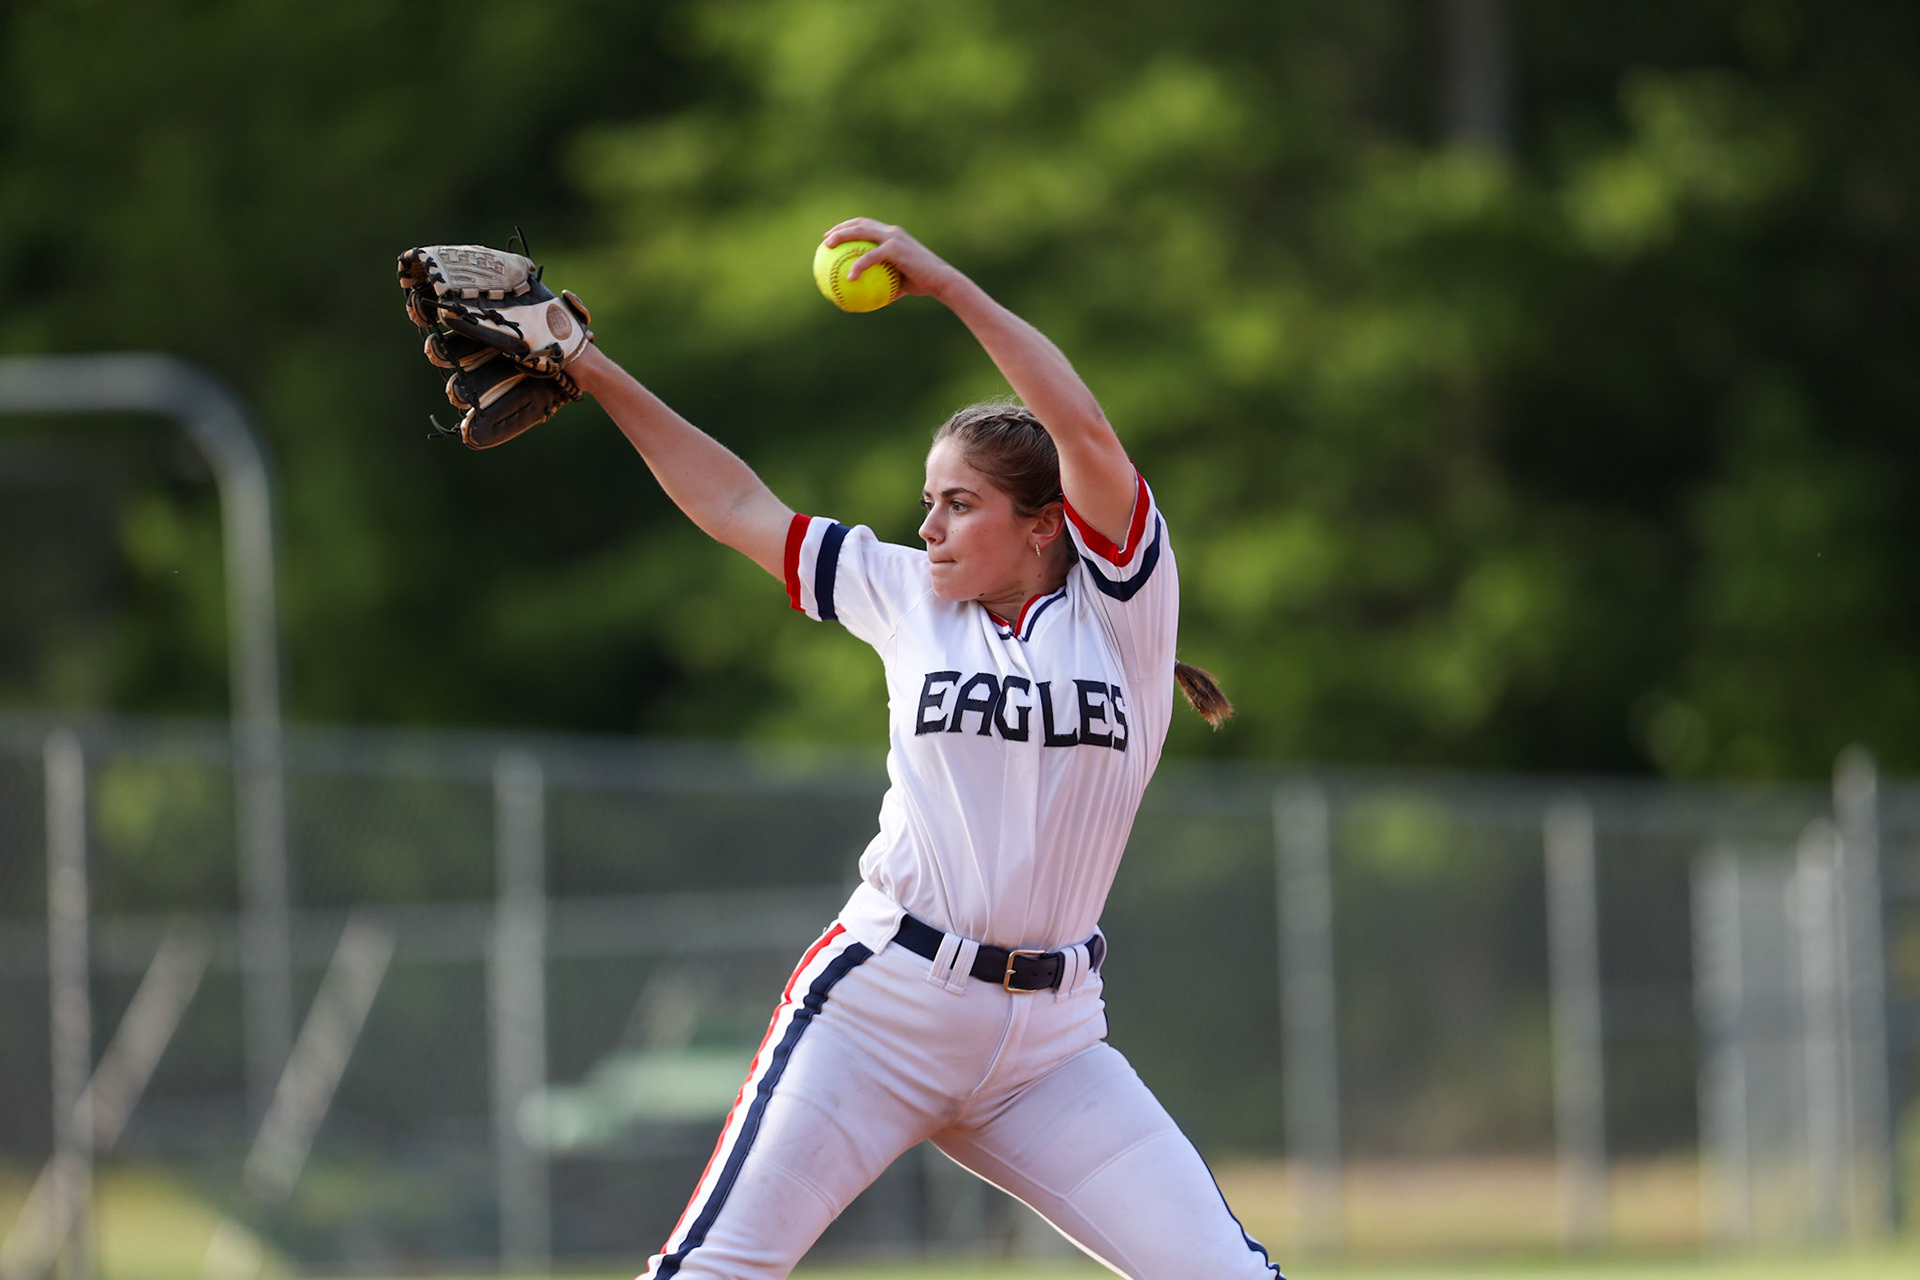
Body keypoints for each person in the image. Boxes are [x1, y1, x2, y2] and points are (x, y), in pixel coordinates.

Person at [566, 217, 1280, 1280]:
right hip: (881, 1007)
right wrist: (586, 367)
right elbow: (734, 501)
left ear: (1045, 526)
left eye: (961, 502)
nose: (932, 525)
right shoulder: (905, 595)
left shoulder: (1125, 614)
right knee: (712, 1270)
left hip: (1052, 1047)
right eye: (927, 502)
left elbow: (1079, 425)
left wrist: (949, 287)